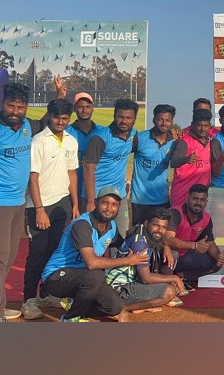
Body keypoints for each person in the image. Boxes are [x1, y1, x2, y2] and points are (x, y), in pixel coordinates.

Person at [40, 186, 148, 322]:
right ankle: (70, 318)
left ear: (119, 207)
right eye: (105, 203)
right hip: (57, 276)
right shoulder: (82, 225)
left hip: (85, 278)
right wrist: (128, 260)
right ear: (96, 203)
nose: (109, 208)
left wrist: (147, 243)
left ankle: (73, 304)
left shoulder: (112, 227)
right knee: (97, 275)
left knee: (114, 307)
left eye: (114, 205)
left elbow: (124, 245)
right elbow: (91, 263)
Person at [21, 99, 80, 320]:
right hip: (39, 204)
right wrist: (39, 209)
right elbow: (33, 177)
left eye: (65, 119)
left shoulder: (71, 142)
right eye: (57, 117)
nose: (60, 122)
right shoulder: (38, 141)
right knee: (37, 253)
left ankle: (46, 294)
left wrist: (75, 204)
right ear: (50, 115)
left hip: (62, 203)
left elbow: (72, 174)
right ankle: (28, 299)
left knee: (56, 252)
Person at [0, 83, 52, 322]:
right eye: (11, 105)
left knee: (8, 259)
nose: (15, 111)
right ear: (3, 103)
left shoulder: (27, 127)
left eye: (20, 107)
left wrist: (60, 96)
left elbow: (44, 122)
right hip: (1, 204)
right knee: (1, 259)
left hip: (18, 203)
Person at [106, 207, 185, 313]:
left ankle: (138, 306)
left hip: (127, 285)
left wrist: (166, 246)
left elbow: (162, 242)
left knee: (167, 286)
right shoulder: (140, 242)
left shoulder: (144, 234)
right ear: (147, 223)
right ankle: (125, 308)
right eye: (156, 225)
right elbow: (146, 278)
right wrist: (175, 278)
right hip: (118, 289)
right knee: (169, 291)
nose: (159, 230)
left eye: (163, 227)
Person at [83, 98, 139, 238]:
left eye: (128, 118)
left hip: (119, 196)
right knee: (94, 239)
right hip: (97, 197)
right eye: (120, 117)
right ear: (114, 116)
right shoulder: (100, 138)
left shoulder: (133, 135)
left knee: (121, 238)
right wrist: (91, 202)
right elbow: (88, 168)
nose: (124, 121)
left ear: (134, 119)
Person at [165, 184, 224, 289]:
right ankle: (166, 284)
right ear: (187, 199)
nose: (198, 203)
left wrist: (218, 256)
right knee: (173, 254)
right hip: (166, 255)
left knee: (215, 262)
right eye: (195, 198)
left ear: (206, 202)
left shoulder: (206, 218)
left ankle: (179, 277)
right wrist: (195, 245)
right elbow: (168, 240)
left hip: (184, 256)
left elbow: (210, 243)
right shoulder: (175, 213)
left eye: (202, 200)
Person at [130, 104, 177, 225]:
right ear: (154, 119)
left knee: (159, 236)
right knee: (138, 237)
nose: (164, 123)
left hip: (162, 199)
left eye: (168, 120)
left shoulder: (175, 141)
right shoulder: (140, 138)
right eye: (160, 119)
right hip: (140, 200)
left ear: (172, 122)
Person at [66, 92, 105, 211]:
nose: (84, 110)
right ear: (75, 109)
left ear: (93, 109)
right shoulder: (66, 131)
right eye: (80, 107)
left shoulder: (102, 132)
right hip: (69, 188)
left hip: (93, 189)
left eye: (88, 107)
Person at [170, 108, 213, 209]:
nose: (202, 129)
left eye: (206, 126)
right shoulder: (184, 141)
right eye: (199, 125)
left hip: (200, 197)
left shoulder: (211, 141)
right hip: (182, 194)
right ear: (192, 124)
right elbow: (173, 162)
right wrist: (186, 159)